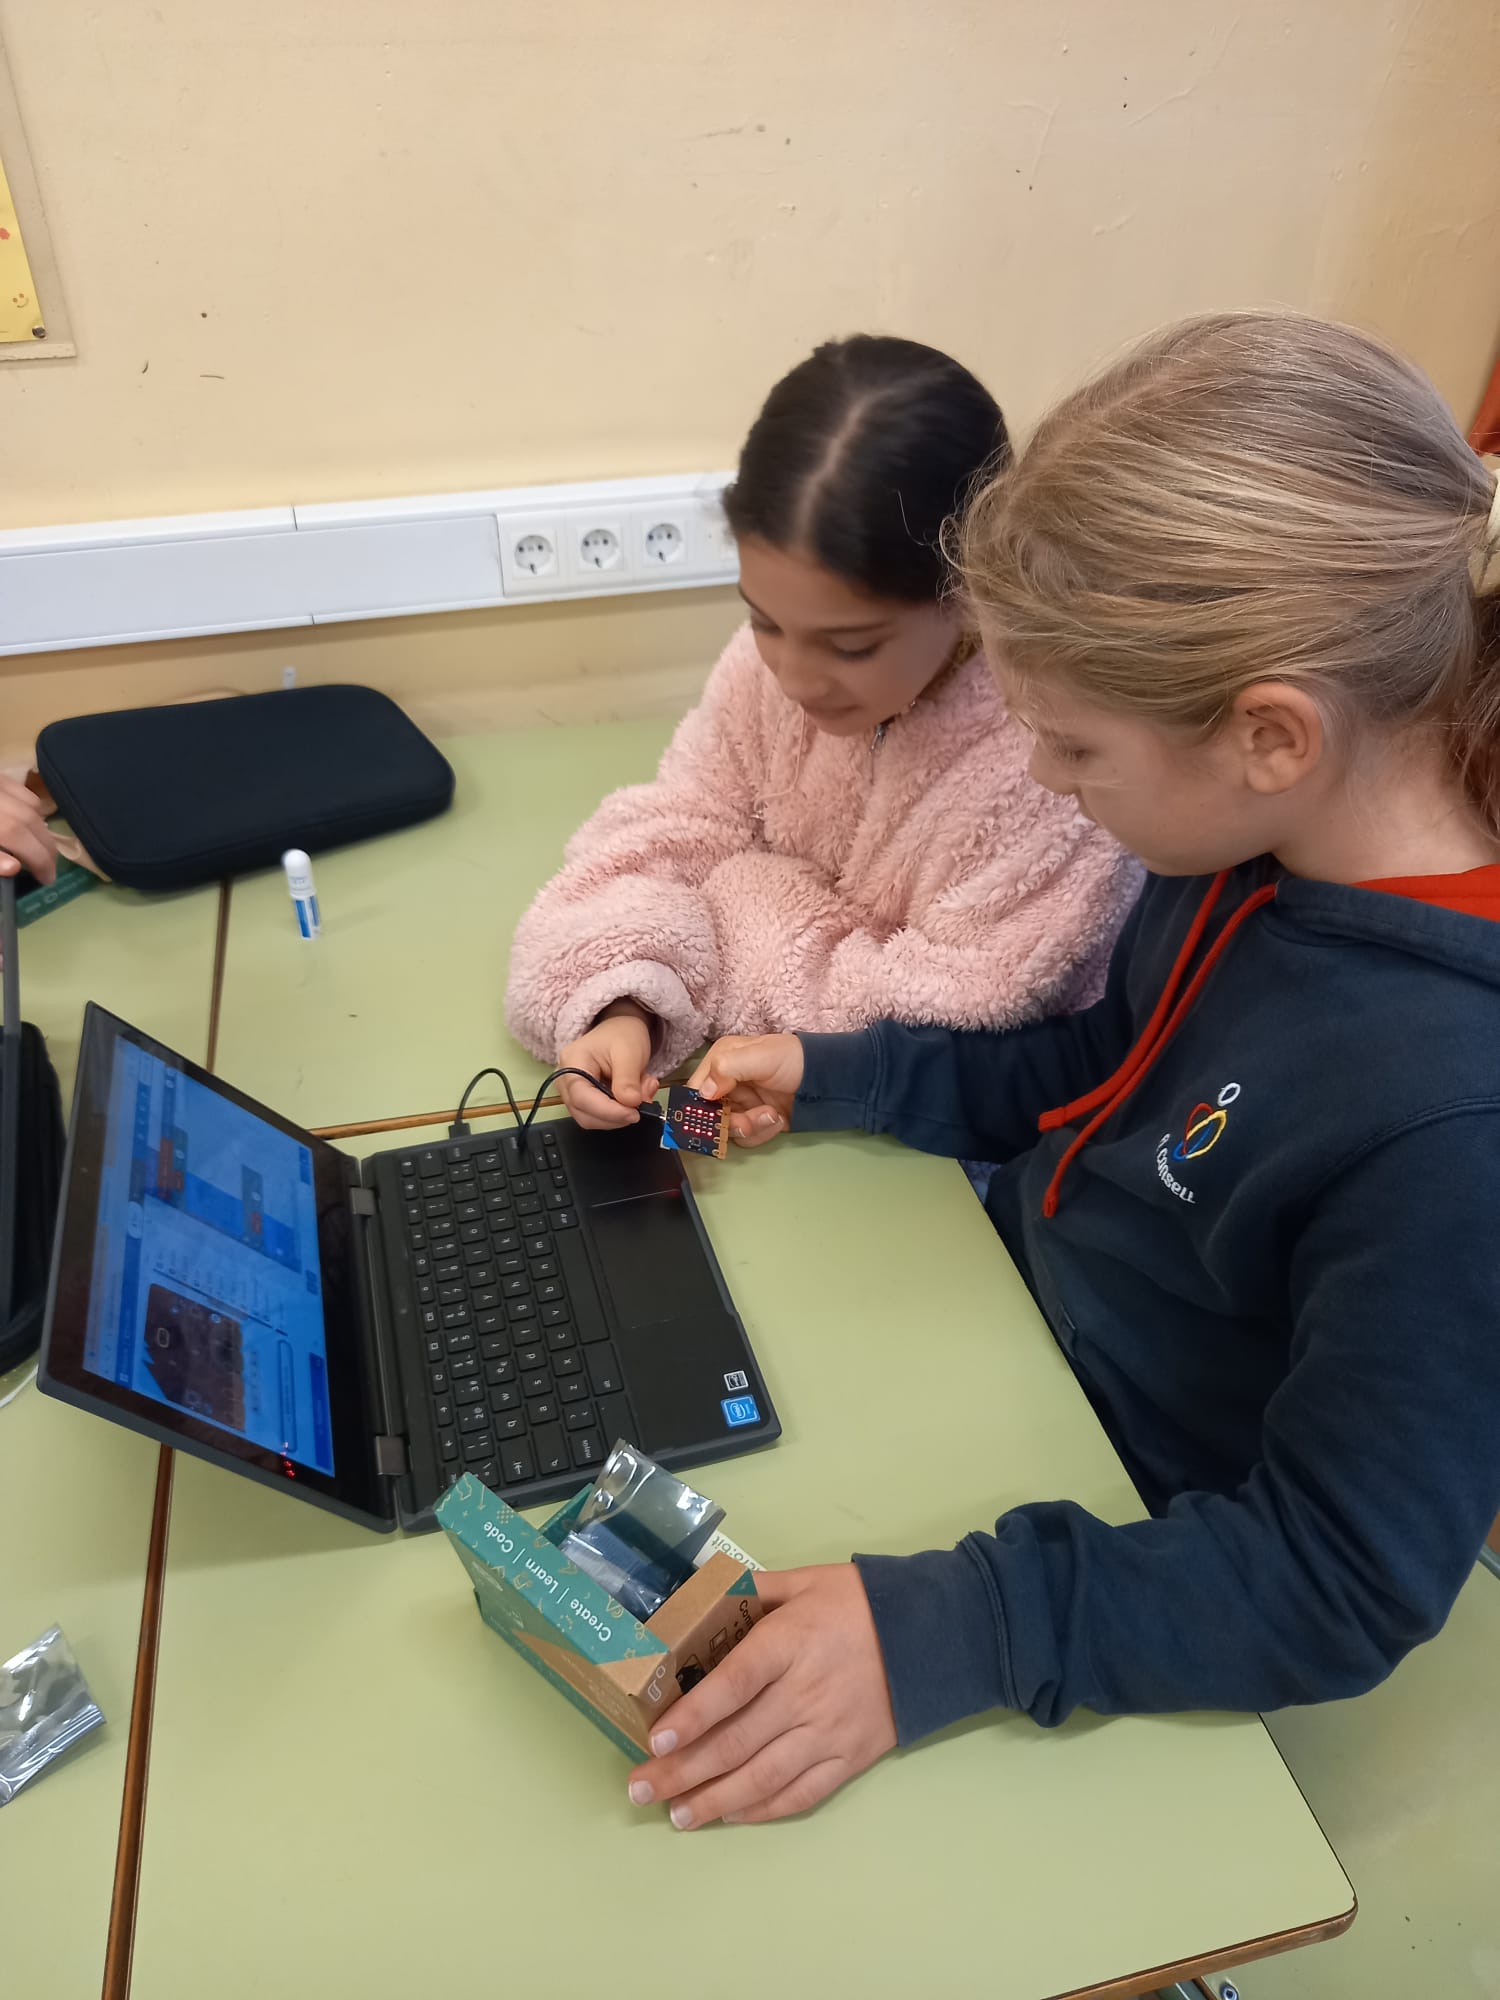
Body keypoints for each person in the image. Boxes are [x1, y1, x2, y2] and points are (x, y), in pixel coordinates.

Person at [621, 312, 1500, 1832]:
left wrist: (950, 1628)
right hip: (1016, 1348)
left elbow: (1337, 1576)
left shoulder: (1452, 1123)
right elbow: (1110, 1062)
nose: (1043, 779)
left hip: (1135, 1547)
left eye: (1078, 749)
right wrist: (841, 1074)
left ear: (1271, 734)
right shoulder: (1255, 850)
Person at [506, 336, 1138, 1126]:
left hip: (949, 1148)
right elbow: (668, 830)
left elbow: (953, 1020)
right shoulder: (760, 672)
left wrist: (739, 893)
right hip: (783, 1098)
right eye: (765, 621)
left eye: (851, 647)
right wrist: (624, 1001)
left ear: (972, 586)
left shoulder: (1052, 762)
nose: (794, 679)